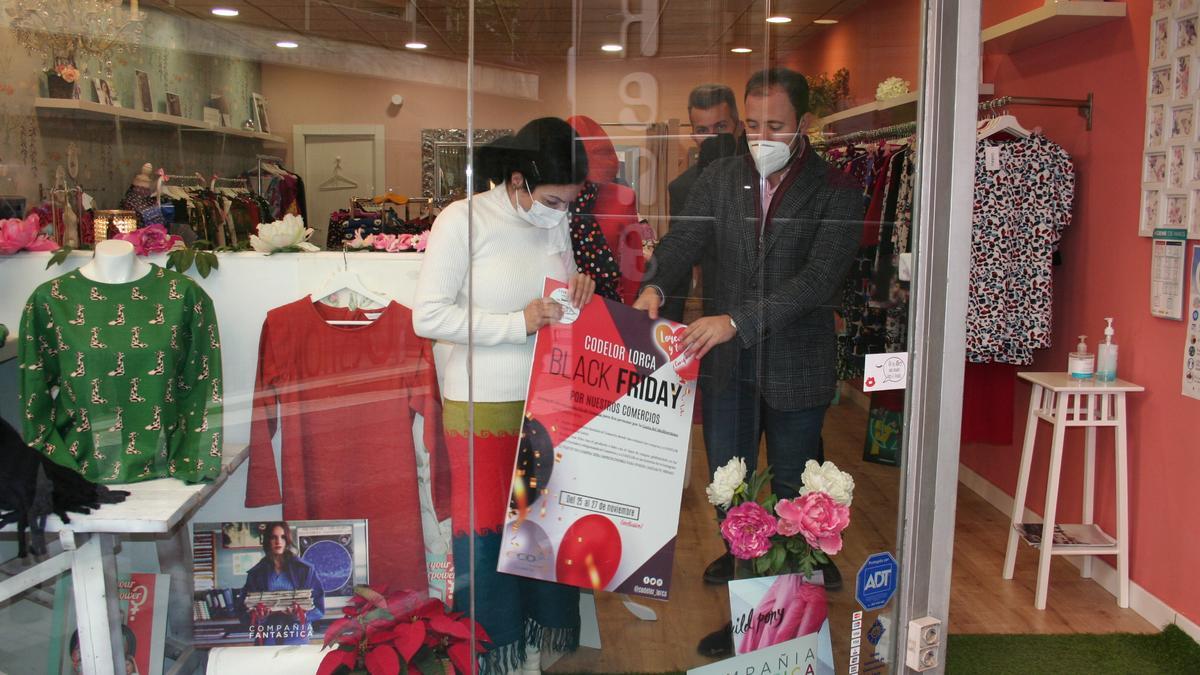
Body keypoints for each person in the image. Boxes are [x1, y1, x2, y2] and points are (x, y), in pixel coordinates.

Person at [633, 67, 864, 657]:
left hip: (795, 365)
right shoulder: (720, 177)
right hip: (728, 367)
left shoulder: (837, 189)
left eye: (776, 126)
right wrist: (656, 285)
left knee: (793, 500)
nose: (762, 137)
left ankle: (786, 639)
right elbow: (684, 239)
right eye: (754, 124)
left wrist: (736, 320)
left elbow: (817, 280)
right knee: (732, 495)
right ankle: (748, 622)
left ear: (804, 125)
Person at [413, 117, 596, 674]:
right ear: (517, 180)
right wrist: (514, 323)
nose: (561, 212)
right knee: (491, 536)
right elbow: (429, 317)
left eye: (569, 203)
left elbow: (553, 300)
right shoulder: (463, 221)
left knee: (540, 531)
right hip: (483, 400)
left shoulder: (553, 224)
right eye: (553, 200)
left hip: (547, 398)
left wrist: (577, 292)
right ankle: (495, 653)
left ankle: (538, 648)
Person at [662, 84, 748, 321]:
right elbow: (679, 261)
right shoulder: (683, 188)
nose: (713, 138)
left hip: (763, 307)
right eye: (703, 130)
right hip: (712, 307)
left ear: (738, 128)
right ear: (693, 135)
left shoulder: (763, 178)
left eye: (720, 127)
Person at [241, 521, 325, 646]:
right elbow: (244, 612)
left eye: (282, 537)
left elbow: (319, 608)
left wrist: (301, 615)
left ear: (288, 540)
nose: (278, 541)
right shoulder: (256, 573)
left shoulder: (305, 570)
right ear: (267, 541)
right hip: (267, 637)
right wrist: (259, 617)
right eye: (273, 537)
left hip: (296, 636)